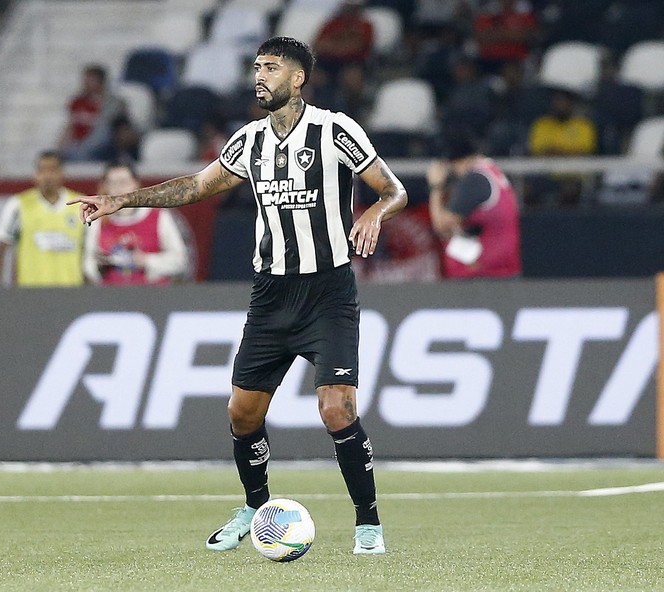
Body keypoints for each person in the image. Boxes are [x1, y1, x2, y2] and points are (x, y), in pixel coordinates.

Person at [69, 36, 408, 555]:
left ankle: (368, 524)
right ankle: (254, 506)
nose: (259, 76)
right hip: (271, 295)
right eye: (256, 67)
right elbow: (194, 187)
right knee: (242, 413)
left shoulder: (336, 130)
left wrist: (372, 212)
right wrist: (122, 200)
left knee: (336, 408)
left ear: (297, 78)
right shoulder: (249, 141)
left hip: (328, 292)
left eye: (270, 67)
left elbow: (394, 189)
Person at [426, 130, 521, 278]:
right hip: (499, 270)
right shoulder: (490, 170)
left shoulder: (475, 179)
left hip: (485, 277)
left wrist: (436, 187)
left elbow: (442, 225)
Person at [82, 162, 190, 285]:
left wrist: (146, 261)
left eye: (123, 182)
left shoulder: (158, 216)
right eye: (112, 183)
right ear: (105, 186)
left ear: (136, 183)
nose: (118, 188)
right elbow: (88, 264)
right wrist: (99, 268)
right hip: (111, 295)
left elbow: (180, 260)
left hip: (153, 295)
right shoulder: (98, 220)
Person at [0, 150, 87, 287]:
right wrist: (0, 287)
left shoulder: (79, 205)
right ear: (35, 175)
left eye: (53, 170)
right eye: (42, 170)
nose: (47, 176)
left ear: (62, 173)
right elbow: (0, 249)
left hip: (71, 292)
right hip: (30, 293)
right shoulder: (18, 205)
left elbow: (88, 252)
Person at [312, 0, 374, 82]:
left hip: (353, 63)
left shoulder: (365, 26)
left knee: (353, 78)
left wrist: (334, 47)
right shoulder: (332, 24)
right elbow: (318, 45)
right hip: (328, 63)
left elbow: (359, 47)